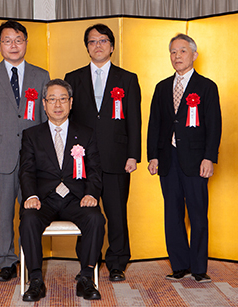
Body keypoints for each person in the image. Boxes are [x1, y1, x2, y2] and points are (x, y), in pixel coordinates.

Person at [64, 23, 141, 281]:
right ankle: (89, 261)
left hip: (117, 157)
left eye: (103, 41)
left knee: (117, 212)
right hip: (81, 160)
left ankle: (117, 262)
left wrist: (133, 155)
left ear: (112, 46)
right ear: (87, 47)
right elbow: (66, 120)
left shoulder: (127, 79)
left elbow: (134, 120)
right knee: (85, 212)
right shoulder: (72, 78)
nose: (98, 45)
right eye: (93, 41)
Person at [19, 79, 105, 302]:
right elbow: (26, 171)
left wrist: (91, 194)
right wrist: (31, 196)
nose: (58, 105)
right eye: (52, 100)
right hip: (44, 200)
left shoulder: (86, 133)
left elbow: (95, 170)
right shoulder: (32, 135)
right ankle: (36, 280)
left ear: (71, 102)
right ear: (44, 104)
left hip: (76, 199)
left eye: (63, 99)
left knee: (96, 219)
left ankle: (86, 277)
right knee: (28, 219)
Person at [0, 20, 50, 282]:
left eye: (18, 40)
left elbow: (46, 119)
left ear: (26, 42)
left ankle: (31, 261)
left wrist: (47, 155)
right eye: (7, 40)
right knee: (3, 212)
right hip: (0, 155)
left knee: (31, 211)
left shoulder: (41, 75)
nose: (13, 45)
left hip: (34, 159)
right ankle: (6, 262)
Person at [147, 33, 222, 283]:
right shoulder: (161, 87)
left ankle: (199, 268)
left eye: (182, 51)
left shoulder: (206, 86)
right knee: (172, 213)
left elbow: (214, 125)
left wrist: (209, 157)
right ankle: (179, 265)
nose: (177, 56)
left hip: (195, 160)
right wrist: (153, 156)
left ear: (194, 55)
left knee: (198, 214)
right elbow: (154, 125)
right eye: (173, 52)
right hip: (168, 160)